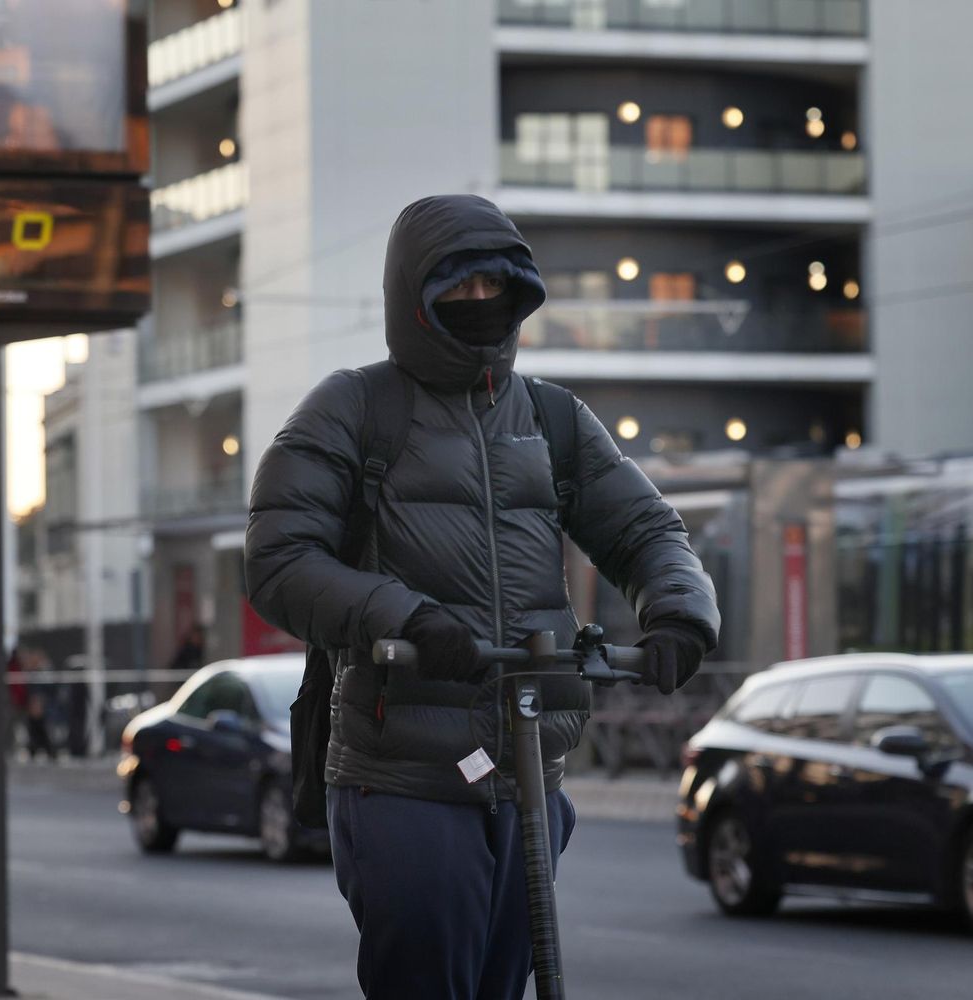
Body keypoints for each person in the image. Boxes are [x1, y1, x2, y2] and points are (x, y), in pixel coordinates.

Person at [244, 194, 720, 1000]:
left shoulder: (554, 419)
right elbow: (278, 561)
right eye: (454, 291)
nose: (478, 306)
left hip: (533, 767)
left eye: (494, 289)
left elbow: (647, 530)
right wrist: (408, 617)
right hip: (403, 778)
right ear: (412, 299)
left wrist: (678, 613)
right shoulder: (357, 409)